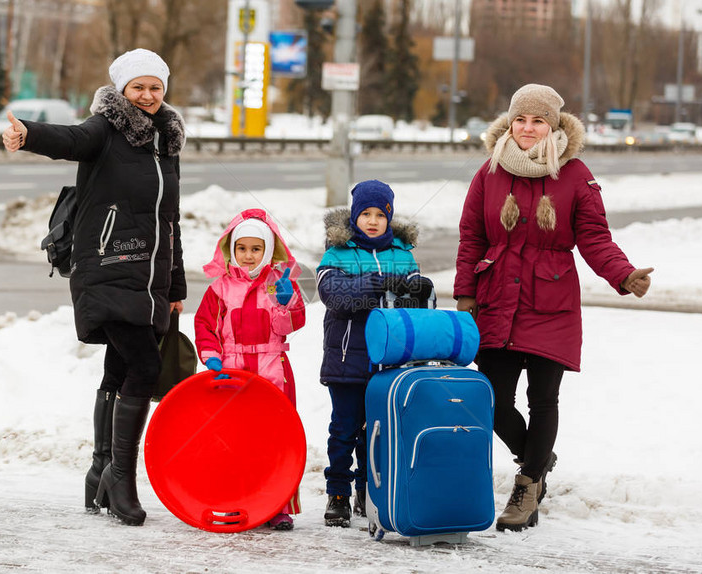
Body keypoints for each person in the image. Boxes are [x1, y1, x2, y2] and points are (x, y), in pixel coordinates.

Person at [455, 84, 653, 532]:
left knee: (543, 400)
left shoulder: (576, 174)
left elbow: (596, 238)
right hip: (496, 298)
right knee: (490, 400)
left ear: (554, 125)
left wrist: (623, 274)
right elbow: (472, 238)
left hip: (551, 300)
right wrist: (466, 294)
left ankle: (526, 486)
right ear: (509, 122)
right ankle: (538, 458)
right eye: (521, 119)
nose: (528, 128)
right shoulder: (488, 173)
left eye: (538, 120)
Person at [2, 48, 187, 526]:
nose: (147, 96)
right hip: (106, 266)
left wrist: (175, 282)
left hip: (148, 277)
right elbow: (71, 139)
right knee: (144, 366)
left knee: (119, 368)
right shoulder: (104, 129)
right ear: (122, 89)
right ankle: (122, 481)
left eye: (155, 87)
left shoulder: (166, 141)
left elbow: (169, 220)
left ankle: (101, 470)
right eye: (138, 87)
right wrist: (28, 134)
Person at [316, 179, 433, 527]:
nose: (371, 220)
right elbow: (335, 296)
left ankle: (370, 492)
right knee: (344, 429)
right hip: (346, 360)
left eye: (379, 214)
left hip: (389, 364)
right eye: (364, 213)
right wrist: (379, 283)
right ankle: (338, 492)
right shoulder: (336, 253)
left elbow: (415, 312)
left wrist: (418, 291)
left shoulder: (403, 255)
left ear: (389, 217)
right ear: (354, 217)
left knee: (378, 432)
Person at [193, 208, 305, 531]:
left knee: (275, 440)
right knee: (232, 440)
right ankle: (232, 500)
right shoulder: (220, 288)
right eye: (242, 248)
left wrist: (287, 302)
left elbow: (291, 324)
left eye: (256, 249)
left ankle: (278, 504)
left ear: (267, 250)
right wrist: (212, 356)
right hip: (232, 375)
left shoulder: (278, 284)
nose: (248, 255)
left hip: (273, 372)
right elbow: (205, 325)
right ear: (232, 250)